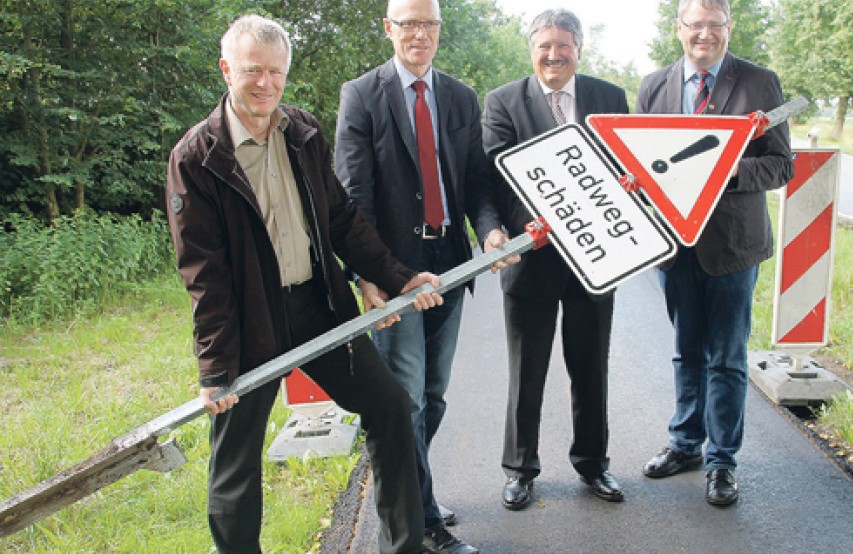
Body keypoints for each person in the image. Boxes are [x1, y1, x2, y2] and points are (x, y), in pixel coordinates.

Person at [165, 14, 444, 554]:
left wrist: (397, 275)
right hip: (250, 324)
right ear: (226, 69)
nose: (265, 84)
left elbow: (342, 219)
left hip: (319, 308)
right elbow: (203, 273)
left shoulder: (304, 132)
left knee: (389, 406)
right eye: (252, 71)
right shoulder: (196, 157)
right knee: (235, 460)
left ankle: (405, 546)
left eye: (275, 72)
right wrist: (216, 367)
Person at [334, 1, 506, 552]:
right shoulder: (361, 94)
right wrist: (368, 276)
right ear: (388, 29)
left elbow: (476, 180)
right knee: (404, 400)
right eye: (408, 23)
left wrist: (490, 233)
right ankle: (421, 519)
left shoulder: (458, 95)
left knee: (432, 396)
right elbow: (352, 195)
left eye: (429, 23)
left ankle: (407, 491)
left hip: (453, 268)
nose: (419, 34)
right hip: (395, 275)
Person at [636, 0, 794, 506]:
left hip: (732, 245)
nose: (704, 34)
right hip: (675, 244)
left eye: (714, 25)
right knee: (686, 349)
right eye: (695, 25)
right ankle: (686, 443)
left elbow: (780, 166)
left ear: (729, 29)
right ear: (678, 29)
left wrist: (729, 171)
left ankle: (723, 460)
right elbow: (642, 163)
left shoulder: (759, 83)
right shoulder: (654, 86)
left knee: (726, 355)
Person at [481, 8, 629, 511]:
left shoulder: (609, 98)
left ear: (579, 50)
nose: (553, 55)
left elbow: (627, 173)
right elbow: (491, 178)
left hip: (596, 261)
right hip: (532, 261)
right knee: (528, 373)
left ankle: (593, 465)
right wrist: (495, 230)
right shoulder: (503, 101)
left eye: (563, 46)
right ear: (532, 50)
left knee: (591, 367)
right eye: (544, 46)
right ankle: (520, 470)